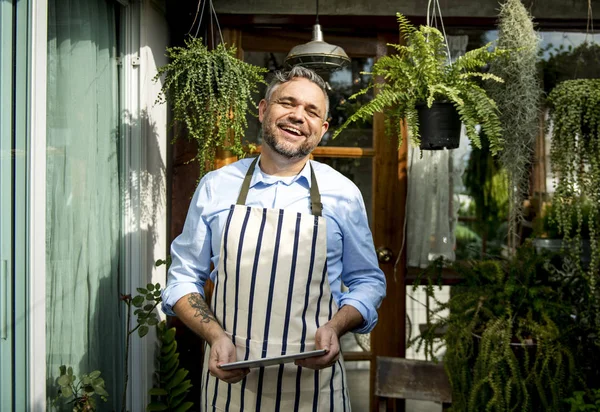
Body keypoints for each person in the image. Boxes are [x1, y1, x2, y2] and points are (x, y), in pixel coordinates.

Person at [162, 66, 386, 411]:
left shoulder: (343, 194)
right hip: (231, 391)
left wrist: (337, 326)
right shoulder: (216, 186)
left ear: (323, 129)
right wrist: (215, 336)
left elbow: (367, 280)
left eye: (312, 111)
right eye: (288, 103)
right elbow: (182, 279)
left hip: (316, 391)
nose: (298, 116)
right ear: (264, 109)